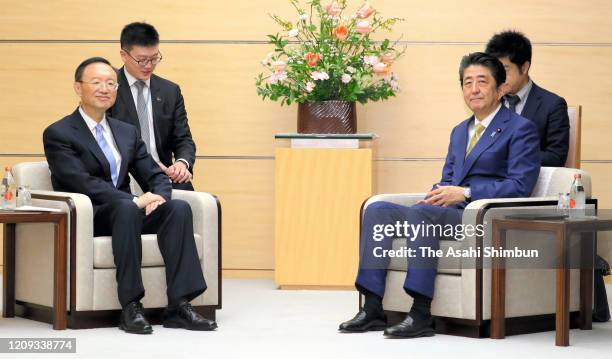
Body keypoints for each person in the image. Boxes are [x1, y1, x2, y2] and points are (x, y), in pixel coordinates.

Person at [338, 53, 541, 338]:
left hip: (481, 218)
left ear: (501, 88)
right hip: (447, 213)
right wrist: (437, 194)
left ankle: (421, 314)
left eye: (482, 82)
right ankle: (373, 308)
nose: (474, 89)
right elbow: (448, 179)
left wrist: (466, 192)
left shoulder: (520, 129)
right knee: (379, 210)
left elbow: (520, 185)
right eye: (467, 82)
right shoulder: (460, 131)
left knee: (423, 214)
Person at [43, 57, 216, 334]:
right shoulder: (59, 132)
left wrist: (158, 197)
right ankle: (131, 306)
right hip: (92, 215)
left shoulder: (126, 132)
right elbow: (79, 181)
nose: (105, 88)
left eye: (111, 83)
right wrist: (134, 201)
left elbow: (154, 173)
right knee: (126, 209)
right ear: (78, 88)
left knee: (178, 209)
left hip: (128, 213)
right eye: (96, 82)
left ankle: (179, 306)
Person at [108, 22, 196, 190]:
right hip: (126, 173)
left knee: (188, 194)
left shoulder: (170, 91)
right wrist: (148, 164)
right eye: (142, 60)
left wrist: (181, 163)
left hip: (164, 174)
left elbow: (183, 138)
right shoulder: (109, 89)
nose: (149, 66)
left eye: (154, 58)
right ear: (124, 55)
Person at [485, 30, 569, 167]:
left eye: (504, 70)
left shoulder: (552, 105)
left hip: (531, 184)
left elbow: (556, 157)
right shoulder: (489, 101)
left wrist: (510, 154)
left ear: (524, 68)